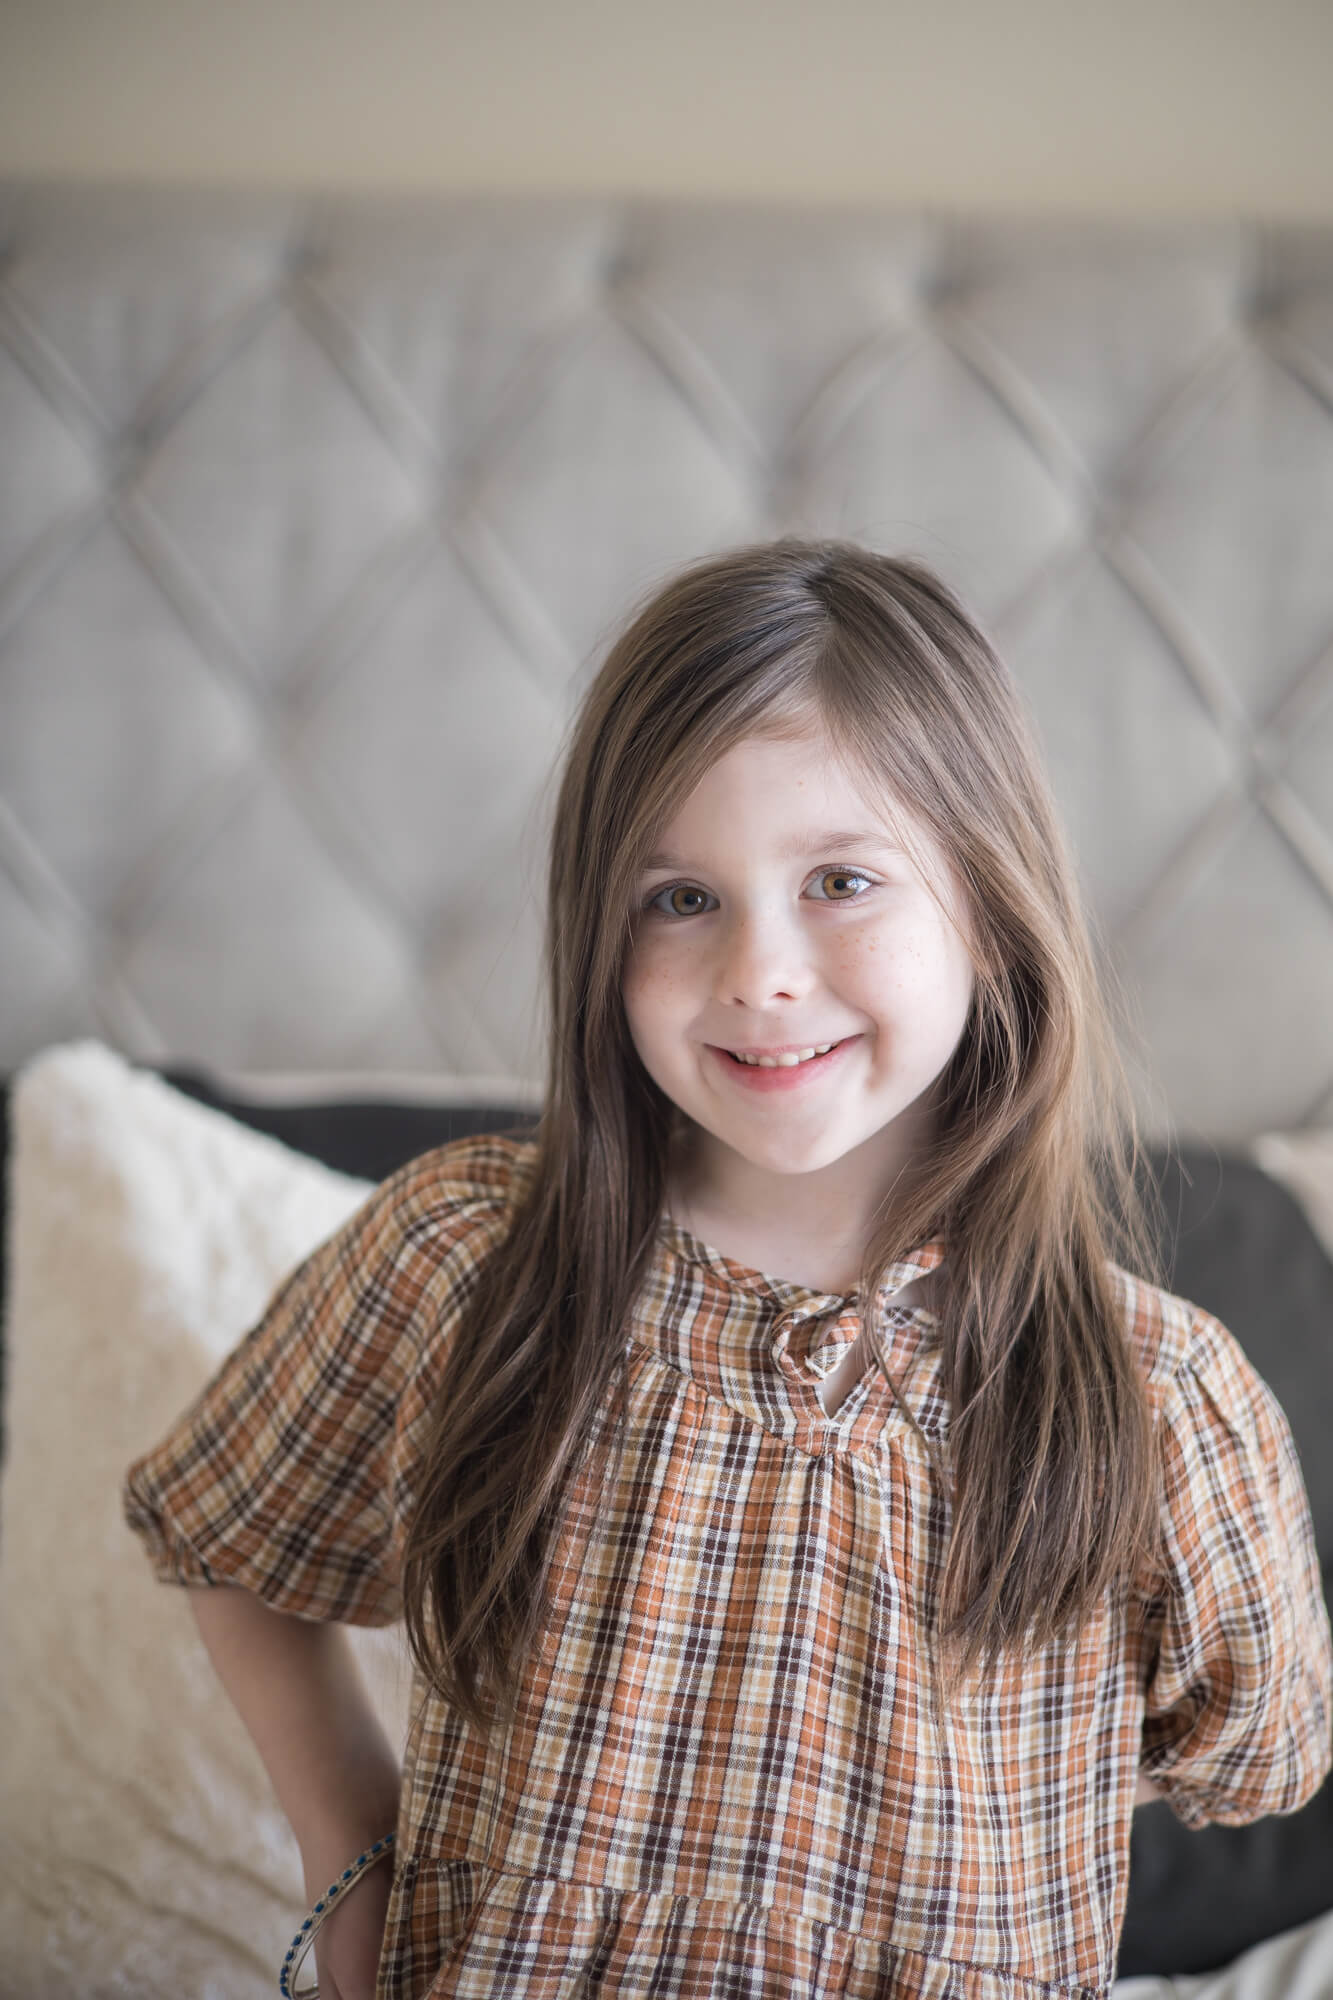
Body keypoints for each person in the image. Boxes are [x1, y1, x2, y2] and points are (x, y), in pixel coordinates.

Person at [123, 537, 1332, 2000]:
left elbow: (1248, 1756)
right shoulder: (462, 1257)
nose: (760, 970)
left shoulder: (1159, 1396)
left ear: (990, 909)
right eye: (679, 898)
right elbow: (228, 1541)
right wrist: (352, 1844)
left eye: (838, 878)